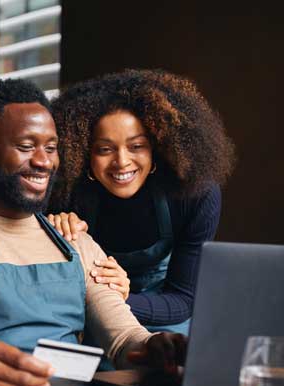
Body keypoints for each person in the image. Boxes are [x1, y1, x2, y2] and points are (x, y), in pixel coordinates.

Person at [0, 78, 186, 386]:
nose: (44, 161)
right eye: (25, 147)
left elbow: (123, 340)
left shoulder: (75, 241)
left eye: (50, 148)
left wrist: (155, 347)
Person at [48, 69, 236, 334]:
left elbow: (183, 300)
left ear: (157, 147)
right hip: (97, 318)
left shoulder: (195, 194)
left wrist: (121, 297)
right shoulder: (66, 196)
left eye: (136, 146)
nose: (122, 161)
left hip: (167, 319)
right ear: (83, 154)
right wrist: (55, 231)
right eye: (104, 149)